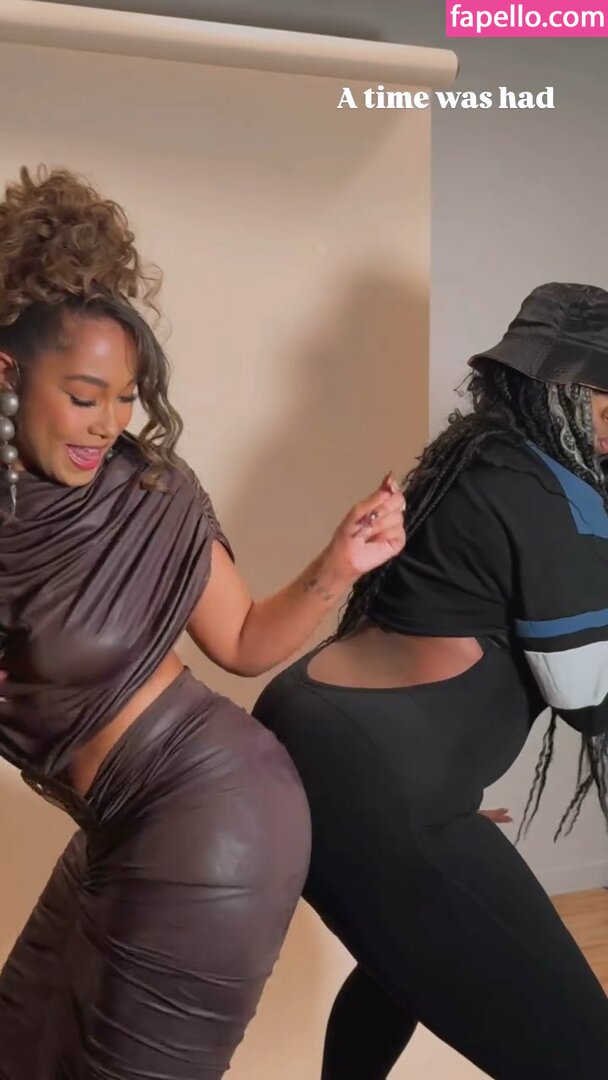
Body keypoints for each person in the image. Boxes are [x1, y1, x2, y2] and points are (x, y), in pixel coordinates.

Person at [0, 164, 406, 1080]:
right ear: (9, 375)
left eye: (125, 397)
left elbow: (245, 642)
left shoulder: (149, 490)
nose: (108, 424)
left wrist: (339, 563)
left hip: (215, 817)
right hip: (114, 819)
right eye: (84, 396)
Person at [253, 281, 608, 1080]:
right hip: (382, 777)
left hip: (326, 736)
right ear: (559, 394)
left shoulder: (473, 457)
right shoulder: (552, 495)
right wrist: (401, 794)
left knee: (402, 966)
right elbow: (589, 699)